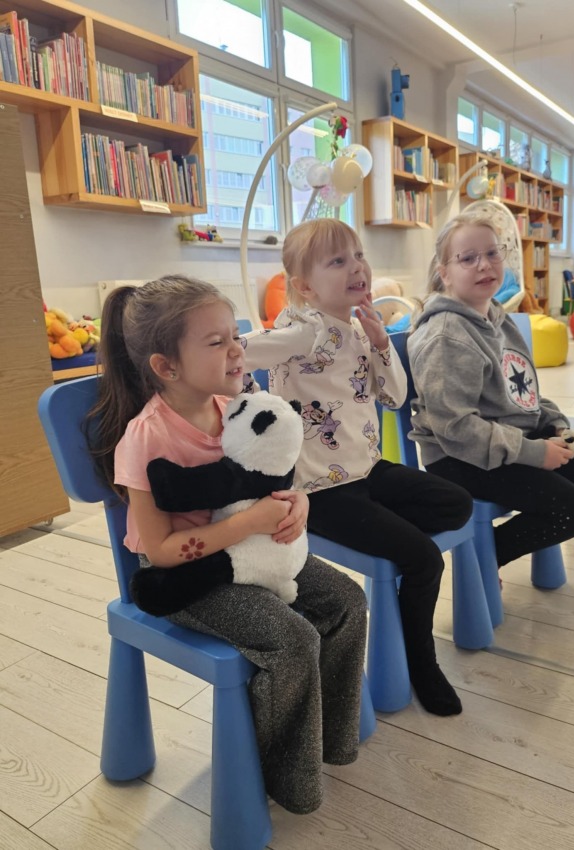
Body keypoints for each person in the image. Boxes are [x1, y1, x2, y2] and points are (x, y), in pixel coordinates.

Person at [86, 274, 367, 816]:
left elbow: (277, 471)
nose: (238, 349)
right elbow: (160, 552)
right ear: (167, 367)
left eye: (235, 335)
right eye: (217, 342)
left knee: (347, 601)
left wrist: (298, 501)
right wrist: (251, 523)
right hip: (185, 579)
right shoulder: (146, 437)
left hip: (255, 550)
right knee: (292, 640)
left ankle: (328, 740)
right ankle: (286, 776)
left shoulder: (236, 402)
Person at [242, 219, 473, 717]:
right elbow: (240, 353)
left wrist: (381, 342)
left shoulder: (357, 327)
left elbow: (395, 398)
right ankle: (421, 663)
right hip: (320, 492)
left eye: (358, 255)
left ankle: (392, 540)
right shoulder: (302, 330)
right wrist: (234, 372)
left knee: (457, 504)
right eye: (338, 261)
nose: (357, 268)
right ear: (305, 287)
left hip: (367, 470)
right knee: (425, 560)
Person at [407, 213, 574, 573]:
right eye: (468, 258)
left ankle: (487, 553)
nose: (484, 265)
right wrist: (534, 453)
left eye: (492, 253)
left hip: (507, 439)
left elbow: (522, 392)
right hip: (458, 458)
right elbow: (455, 428)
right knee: (572, 508)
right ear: (445, 272)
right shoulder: (446, 335)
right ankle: (483, 560)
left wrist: (555, 424)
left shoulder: (497, 316)